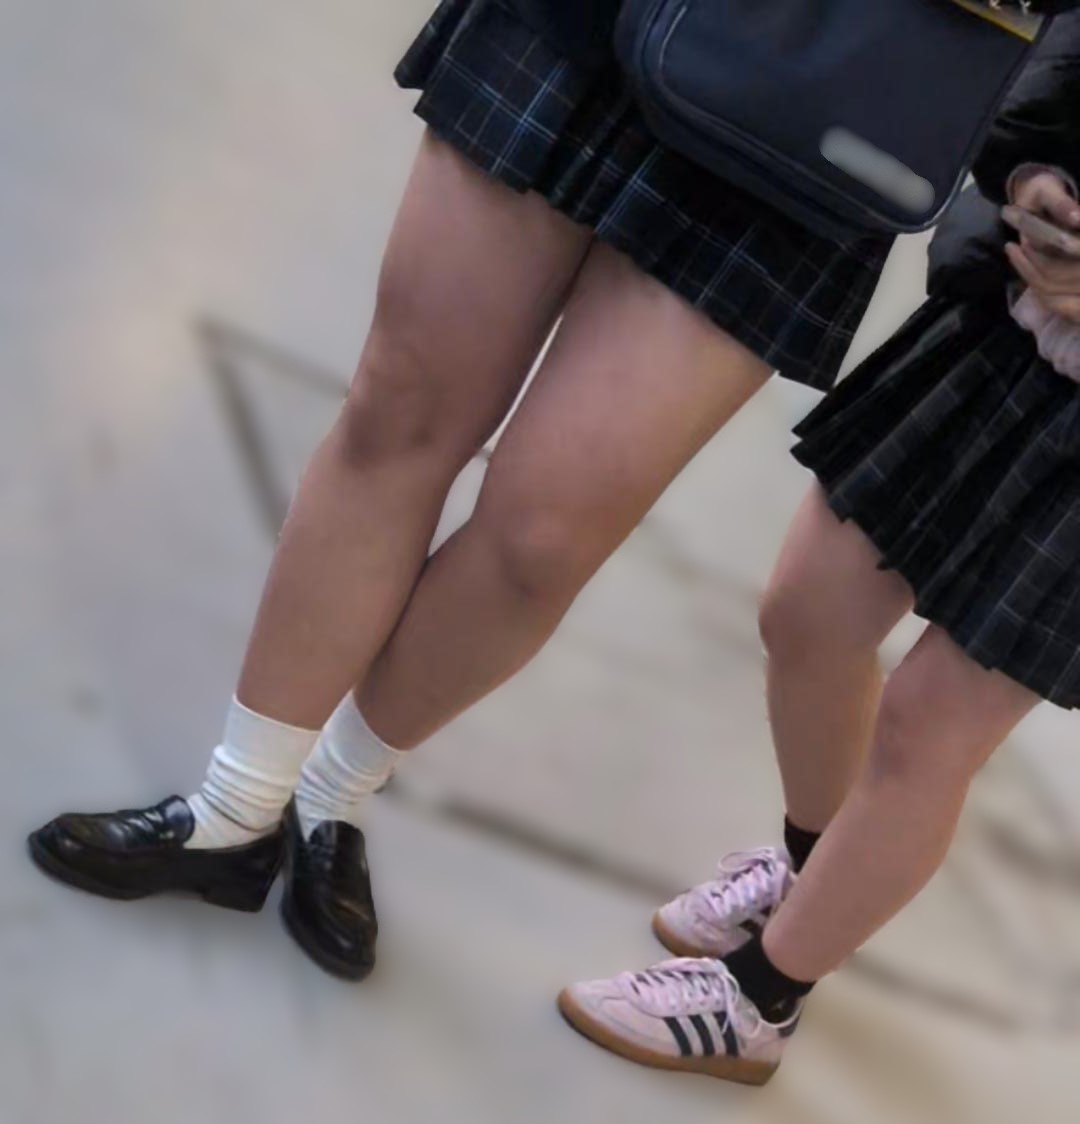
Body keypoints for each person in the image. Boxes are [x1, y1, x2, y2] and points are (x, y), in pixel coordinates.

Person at [25, 0, 901, 980]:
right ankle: (234, 810)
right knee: (402, 408)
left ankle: (330, 794)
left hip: (836, 99)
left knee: (542, 539)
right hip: (595, 22)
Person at [557, 20, 1080, 1087]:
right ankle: (808, 868)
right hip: (1008, 321)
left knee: (928, 726)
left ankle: (760, 998)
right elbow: (1040, 62)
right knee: (808, 610)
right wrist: (1032, 175)